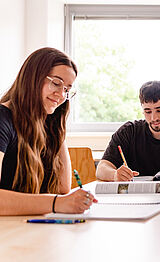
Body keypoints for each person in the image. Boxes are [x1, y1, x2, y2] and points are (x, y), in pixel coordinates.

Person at [96, 80, 160, 262]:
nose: (153, 118)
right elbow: (102, 167)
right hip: (134, 207)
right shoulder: (129, 132)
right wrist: (114, 174)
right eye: (147, 111)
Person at [0, 47, 96, 215]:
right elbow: (60, 199)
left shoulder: (47, 123)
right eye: (56, 83)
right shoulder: (3, 119)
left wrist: (57, 128)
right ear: (32, 78)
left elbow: (62, 188)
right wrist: (56, 203)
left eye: (67, 89)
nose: (61, 95)